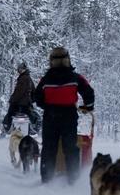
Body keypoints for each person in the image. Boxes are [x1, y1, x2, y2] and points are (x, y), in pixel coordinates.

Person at [33, 47, 94, 184]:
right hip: (69, 115)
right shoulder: (75, 77)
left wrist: (47, 106)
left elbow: (37, 97)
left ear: (51, 61)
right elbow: (89, 92)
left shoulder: (45, 79)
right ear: (67, 59)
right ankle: (73, 179)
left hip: (50, 116)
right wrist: (87, 106)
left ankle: (47, 179)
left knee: (49, 147)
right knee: (70, 147)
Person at [2, 61, 39, 135]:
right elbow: (33, 91)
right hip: (26, 103)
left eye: (21, 69)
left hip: (19, 103)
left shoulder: (23, 78)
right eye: (19, 69)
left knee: (10, 114)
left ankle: (6, 128)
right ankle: (35, 128)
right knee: (32, 114)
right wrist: (32, 100)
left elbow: (19, 92)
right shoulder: (28, 78)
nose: (19, 70)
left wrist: (12, 100)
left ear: (24, 69)